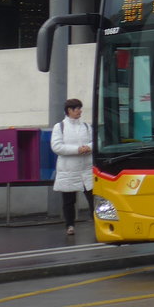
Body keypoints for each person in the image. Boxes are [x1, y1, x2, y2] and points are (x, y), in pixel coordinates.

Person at [51, 98, 94, 237]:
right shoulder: (60, 127)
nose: (80, 111)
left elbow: (96, 141)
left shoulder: (86, 126)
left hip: (86, 169)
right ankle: (70, 225)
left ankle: (98, 221)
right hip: (68, 170)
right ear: (69, 110)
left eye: (80, 109)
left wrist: (89, 147)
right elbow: (57, 147)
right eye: (77, 109)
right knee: (69, 200)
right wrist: (77, 149)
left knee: (94, 197)